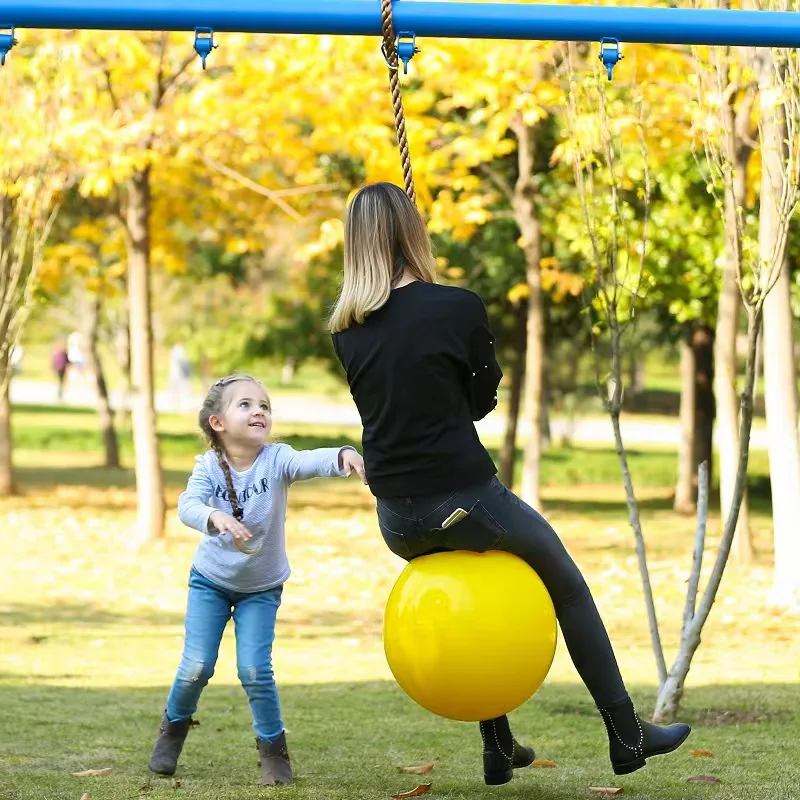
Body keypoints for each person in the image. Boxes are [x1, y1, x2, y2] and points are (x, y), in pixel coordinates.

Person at [329, 182, 690, 786]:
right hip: (464, 497)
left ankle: (499, 746)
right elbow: (479, 400)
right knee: (568, 588)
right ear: (412, 232)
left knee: (481, 600)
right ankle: (627, 734)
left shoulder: (348, 328)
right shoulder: (458, 306)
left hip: (397, 518)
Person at [147, 374, 367, 786]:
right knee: (196, 666)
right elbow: (187, 505)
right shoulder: (209, 466)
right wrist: (214, 516)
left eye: (264, 405)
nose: (259, 411)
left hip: (261, 589)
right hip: (210, 582)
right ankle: (171, 732)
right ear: (218, 422)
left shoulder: (277, 459)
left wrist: (343, 456)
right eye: (245, 405)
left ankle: (274, 754)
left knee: (254, 670)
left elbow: (310, 461)